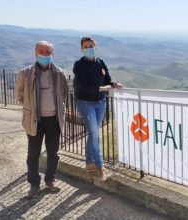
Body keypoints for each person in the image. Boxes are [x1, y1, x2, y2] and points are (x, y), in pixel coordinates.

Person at [15, 40, 69, 199]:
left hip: (54, 120)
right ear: (35, 53)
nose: (45, 54)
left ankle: (50, 180)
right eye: (42, 51)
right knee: (33, 154)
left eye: (48, 52)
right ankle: (34, 184)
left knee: (53, 153)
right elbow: (19, 94)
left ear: (52, 54)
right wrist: (30, 107)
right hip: (34, 121)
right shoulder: (25, 73)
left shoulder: (59, 73)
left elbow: (64, 92)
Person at [73, 36, 123, 179]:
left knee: (93, 134)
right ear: (82, 49)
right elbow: (84, 87)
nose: (89, 49)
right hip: (85, 103)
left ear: (96, 46)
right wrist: (103, 89)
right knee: (95, 135)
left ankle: (89, 163)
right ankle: (100, 166)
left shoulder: (100, 63)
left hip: (101, 103)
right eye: (86, 47)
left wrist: (114, 84)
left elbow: (107, 79)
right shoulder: (79, 65)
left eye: (91, 46)